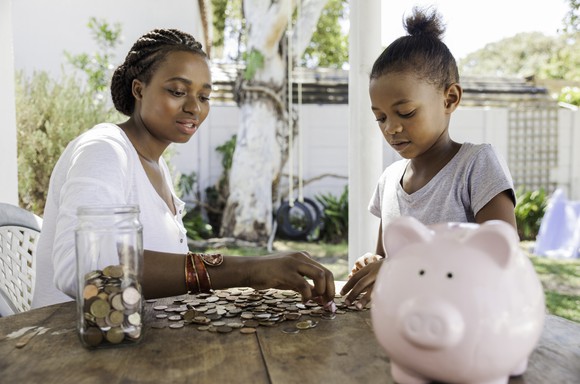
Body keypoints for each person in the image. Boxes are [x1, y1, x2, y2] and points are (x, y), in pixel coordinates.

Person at [32, 29, 335, 308]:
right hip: (74, 351)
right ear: (139, 90)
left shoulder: (156, 164)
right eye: (178, 91)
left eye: (204, 97)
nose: (194, 107)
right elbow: (81, 269)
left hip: (137, 339)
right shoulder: (104, 150)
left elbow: (165, 270)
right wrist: (249, 270)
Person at [340, 7, 517, 309]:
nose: (391, 128)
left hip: (466, 330)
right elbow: (388, 257)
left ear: (449, 99)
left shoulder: (475, 166)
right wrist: (375, 263)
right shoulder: (389, 180)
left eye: (405, 112)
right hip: (404, 328)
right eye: (380, 117)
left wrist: (399, 269)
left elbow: (503, 259)